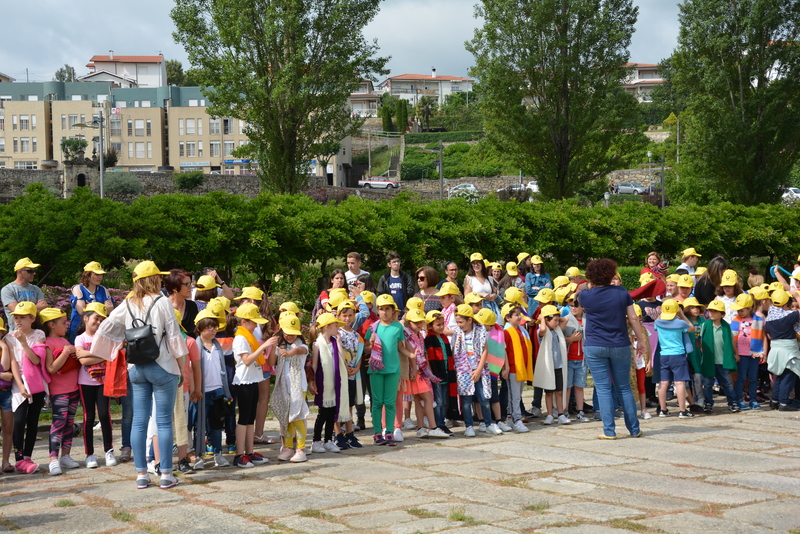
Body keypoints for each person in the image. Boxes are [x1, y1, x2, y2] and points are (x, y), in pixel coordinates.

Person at [91, 260, 187, 490]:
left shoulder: (128, 302)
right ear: (155, 279)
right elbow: (174, 337)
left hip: (137, 368)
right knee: (163, 423)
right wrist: (182, 369)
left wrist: (117, 346)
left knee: (139, 422)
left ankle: (141, 475)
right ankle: (166, 474)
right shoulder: (163, 302)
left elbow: (106, 327)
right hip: (162, 365)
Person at [579, 258, 646, 439]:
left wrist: (589, 283)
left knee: (603, 388)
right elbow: (633, 318)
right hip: (620, 344)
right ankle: (634, 429)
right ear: (611, 275)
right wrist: (640, 340)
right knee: (624, 387)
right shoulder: (621, 292)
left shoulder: (586, 296)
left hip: (594, 345)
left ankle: (609, 431)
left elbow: (581, 290)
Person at [74, 303, 115, 471]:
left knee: (105, 415)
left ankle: (109, 450)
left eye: (101, 320)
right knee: (88, 417)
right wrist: (101, 355)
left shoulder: (104, 338)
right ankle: (90, 454)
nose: (98, 323)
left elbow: (110, 355)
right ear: (85, 318)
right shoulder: (80, 338)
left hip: (103, 382)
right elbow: (82, 360)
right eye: (95, 319)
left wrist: (88, 353)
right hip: (85, 382)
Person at [40, 308, 80, 475]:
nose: (67, 325)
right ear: (52, 324)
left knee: (70, 422)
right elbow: (51, 368)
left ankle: (66, 455)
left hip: (74, 388)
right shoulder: (48, 343)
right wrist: (65, 353)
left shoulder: (65, 340)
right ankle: (53, 459)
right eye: (63, 323)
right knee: (59, 423)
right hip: (59, 391)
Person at [230, 303, 271, 468]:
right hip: (244, 380)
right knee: (244, 419)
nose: (256, 325)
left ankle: (249, 452)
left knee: (250, 419)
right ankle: (240, 454)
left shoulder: (249, 336)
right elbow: (246, 360)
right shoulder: (240, 337)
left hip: (253, 379)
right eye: (254, 322)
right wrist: (263, 346)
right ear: (244, 321)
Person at [7, 301, 46, 473]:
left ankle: (27, 457)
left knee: (33, 420)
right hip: (18, 382)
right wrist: (20, 384)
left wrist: (23, 343)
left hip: (35, 381)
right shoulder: (9, 337)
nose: (18, 321)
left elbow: (36, 360)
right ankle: (18, 458)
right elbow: (13, 362)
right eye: (16, 317)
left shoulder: (39, 334)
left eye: (22, 317)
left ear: (32, 318)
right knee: (19, 420)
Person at [190, 309, 232, 470]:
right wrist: (195, 390)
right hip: (202, 392)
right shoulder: (195, 346)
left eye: (215, 327)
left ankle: (217, 454)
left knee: (216, 425)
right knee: (199, 426)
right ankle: (199, 455)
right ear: (200, 328)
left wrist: (226, 392)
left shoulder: (217, 346)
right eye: (209, 327)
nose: (213, 330)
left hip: (218, 391)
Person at [366, 294, 408, 446]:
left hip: (392, 369)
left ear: (393, 311)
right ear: (377, 310)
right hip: (376, 370)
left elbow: (401, 347)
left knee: (390, 402)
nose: (384, 312)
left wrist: (412, 355)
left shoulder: (398, 327)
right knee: (377, 402)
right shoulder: (373, 327)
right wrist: (370, 345)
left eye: (387, 309)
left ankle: (389, 432)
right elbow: (365, 350)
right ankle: (377, 432)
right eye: (381, 309)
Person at [269, 313, 310, 463]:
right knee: (286, 418)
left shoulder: (302, 345)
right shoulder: (280, 346)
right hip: (283, 386)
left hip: (298, 386)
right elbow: (272, 361)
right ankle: (287, 447)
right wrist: (273, 347)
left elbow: (299, 351)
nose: (291, 336)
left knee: (297, 417)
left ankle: (301, 449)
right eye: (287, 333)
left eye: (294, 333)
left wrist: (288, 353)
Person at [452, 304, 496, 437]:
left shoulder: (480, 331)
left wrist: (478, 370)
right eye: (457, 322)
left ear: (470, 320)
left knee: (484, 398)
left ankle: (489, 424)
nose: (459, 325)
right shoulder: (457, 334)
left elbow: (485, 350)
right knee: (466, 400)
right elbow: (454, 351)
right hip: (464, 372)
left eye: (461, 322)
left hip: (479, 370)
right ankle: (469, 426)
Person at [311, 312, 350, 452]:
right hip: (324, 383)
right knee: (323, 413)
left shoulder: (334, 342)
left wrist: (339, 342)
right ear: (327, 327)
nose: (337, 328)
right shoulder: (317, 344)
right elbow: (314, 365)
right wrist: (313, 381)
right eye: (335, 325)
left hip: (335, 383)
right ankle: (316, 440)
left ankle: (328, 440)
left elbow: (343, 358)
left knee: (332, 413)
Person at [699, 300, 740, 413]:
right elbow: (701, 342)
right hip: (709, 360)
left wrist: (735, 353)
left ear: (722, 314)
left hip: (723, 360)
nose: (712, 313)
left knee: (726, 383)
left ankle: (732, 402)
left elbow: (731, 342)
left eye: (715, 311)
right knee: (707, 384)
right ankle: (708, 403)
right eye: (711, 311)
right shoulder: (705, 325)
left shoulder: (726, 327)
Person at [764, 290, 800, 411]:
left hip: (775, 349)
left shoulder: (769, 318)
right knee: (789, 375)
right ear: (785, 305)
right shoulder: (789, 316)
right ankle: (783, 403)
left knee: (779, 375)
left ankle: (774, 401)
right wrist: (796, 295)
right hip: (788, 350)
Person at [534, 305, 570, 425]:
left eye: (557, 320)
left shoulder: (557, 330)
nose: (557, 322)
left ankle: (560, 413)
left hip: (558, 365)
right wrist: (543, 319)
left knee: (559, 391)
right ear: (547, 320)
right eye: (554, 320)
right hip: (548, 367)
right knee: (549, 392)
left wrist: (556, 317)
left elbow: (566, 320)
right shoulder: (542, 331)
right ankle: (549, 414)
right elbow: (543, 330)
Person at [501, 303, 532, 432]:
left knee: (516, 394)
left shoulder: (520, 330)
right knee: (514, 396)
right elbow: (504, 351)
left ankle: (510, 417)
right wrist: (506, 367)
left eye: (519, 314)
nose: (519, 317)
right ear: (508, 318)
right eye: (516, 315)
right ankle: (516, 419)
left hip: (520, 368)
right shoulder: (507, 332)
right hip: (513, 368)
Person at [425, 310, 455, 435]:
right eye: (438, 325)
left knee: (444, 400)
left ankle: (442, 422)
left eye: (442, 324)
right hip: (437, 375)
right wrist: (433, 375)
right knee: (438, 401)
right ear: (430, 326)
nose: (441, 327)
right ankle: (438, 424)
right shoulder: (429, 339)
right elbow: (430, 358)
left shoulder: (444, 338)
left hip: (446, 373)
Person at [730, 293, 762, 411]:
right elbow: (733, 339)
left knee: (753, 377)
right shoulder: (735, 321)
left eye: (742, 310)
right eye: (738, 310)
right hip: (742, 354)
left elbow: (762, 336)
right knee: (741, 377)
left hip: (755, 353)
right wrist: (736, 353)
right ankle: (739, 399)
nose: (739, 312)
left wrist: (764, 351)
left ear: (749, 308)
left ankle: (752, 399)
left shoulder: (758, 319)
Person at [68, 262, 114, 343]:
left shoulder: (103, 289)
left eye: (101, 275)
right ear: (87, 275)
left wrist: (89, 306)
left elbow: (110, 309)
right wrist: (102, 307)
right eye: (96, 274)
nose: (100, 277)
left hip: (98, 328)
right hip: (79, 328)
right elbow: (81, 310)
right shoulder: (78, 288)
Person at [2, 258, 48, 331]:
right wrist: (36, 308)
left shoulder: (36, 289)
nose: (34, 273)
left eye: (34, 271)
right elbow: (17, 311)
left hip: (37, 333)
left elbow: (44, 307)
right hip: (17, 334)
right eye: (30, 271)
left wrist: (27, 309)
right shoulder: (8, 289)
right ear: (20, 272)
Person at [165, 269, 199, 337]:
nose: (191, 287)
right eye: (187, 284)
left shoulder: (192, 306)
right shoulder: (163, 307)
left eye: (191, 283)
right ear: (174, 287)